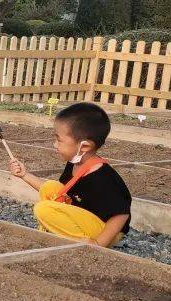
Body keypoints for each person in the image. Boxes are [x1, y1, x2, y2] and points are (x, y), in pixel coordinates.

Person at [9, 101, 131, 247]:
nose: (55, 144)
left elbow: (121, 214)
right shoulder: (74, 163)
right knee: (51, 187)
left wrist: (98, 244)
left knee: (42, 209)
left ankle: (81, 242)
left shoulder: (103, 178)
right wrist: (25, 175)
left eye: (59, 140)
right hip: (83, 218)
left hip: (104, 231)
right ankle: (69, 237)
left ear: (84, 146)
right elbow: (61, 193)